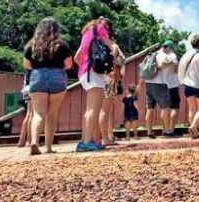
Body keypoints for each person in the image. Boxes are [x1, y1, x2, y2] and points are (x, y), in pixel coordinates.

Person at [22, 18, 73, 155]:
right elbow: (69, 65)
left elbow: (26, 65)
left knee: (38, 113)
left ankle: (34, 142)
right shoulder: (62, 45)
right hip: (57, 76)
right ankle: (49, 147)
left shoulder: (31, 45)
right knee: (52, 113)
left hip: (37, 76)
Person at [75, 17, 115, 152]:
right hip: (93, 73)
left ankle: (86, 140)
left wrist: (85, 67)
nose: (107, 29)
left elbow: (77, 57)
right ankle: (86, 142)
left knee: (89, 109)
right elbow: (111, 49)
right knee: (94, 109)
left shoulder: (86, 33)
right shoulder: (100, 29)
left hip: (84, 73)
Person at [144, 43, 173, 140]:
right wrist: (170, 63)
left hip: (149, 83)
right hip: (160, 83)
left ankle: (149, 131)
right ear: (166, 48)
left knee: (150, 108)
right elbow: (160, 66)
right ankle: (166, 130)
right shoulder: (163, 55)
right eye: (170, 49)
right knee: (166, 108)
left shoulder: (150, 55)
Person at [100, 38, 123, 145]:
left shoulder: (97, 45)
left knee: (99, 109)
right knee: (106, 111)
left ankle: (99, 137)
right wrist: (117, 79)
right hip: (109, 78)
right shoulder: (114, 46)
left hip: (97, 79)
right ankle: (107, 137)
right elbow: (114, 62)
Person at [158, 39, 180, 138]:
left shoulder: (159, 55)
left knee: (164, 108)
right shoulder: (173, 56)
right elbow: (176, 70)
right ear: (171, 47)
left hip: (162, 84)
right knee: (174, 108)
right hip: (173, 85)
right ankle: (171, 130)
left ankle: (164, 129)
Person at [16, 70, 33, 148]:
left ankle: (21, 140)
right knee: (31, 115)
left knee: (28, 115)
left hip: (25, 89)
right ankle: (29, 141)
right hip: (32, 88)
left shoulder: (27, 67)